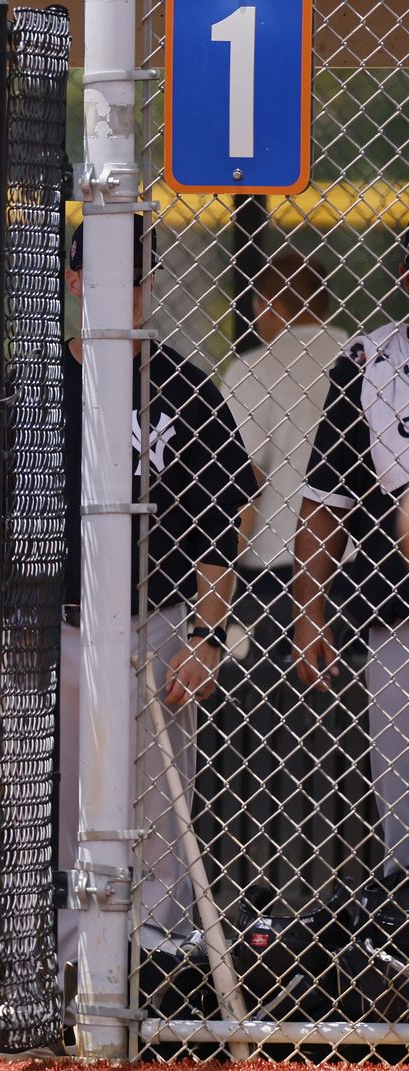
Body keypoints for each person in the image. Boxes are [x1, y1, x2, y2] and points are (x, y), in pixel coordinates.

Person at [0, 220, 254, 1028]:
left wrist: (205, 638)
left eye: (130, 275)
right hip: (49, 628)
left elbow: (216, 534)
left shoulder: (184, 387)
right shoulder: (31, 386)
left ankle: (149, 977)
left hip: (155, 622)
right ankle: (60, 990)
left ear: (149, 282)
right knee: (51, 811)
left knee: (156, 819)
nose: (113, 291)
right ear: (66, 280)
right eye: (94, 273)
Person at [294, 228, 409, 884]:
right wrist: (310, 610)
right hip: (395, 611)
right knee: (399, 806)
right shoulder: (368, 358)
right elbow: (324, 498)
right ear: (403, 274)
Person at [220, 251, 346, 655]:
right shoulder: (359, 358)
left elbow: (242, 479)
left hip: (273, 565)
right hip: (352, 560)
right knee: (353, 693)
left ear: (269, 306)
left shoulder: (254, 369)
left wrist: (220, 580)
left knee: (267, 701)